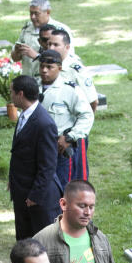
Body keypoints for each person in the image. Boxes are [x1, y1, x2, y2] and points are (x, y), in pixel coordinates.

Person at [8, 74, 61, 240]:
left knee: (43, 243)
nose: (10, 95)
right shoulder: (25, 115)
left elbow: (48, 164)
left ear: (20, 94)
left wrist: (35, 195)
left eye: (12, 92)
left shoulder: (44, 123)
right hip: (23, 190)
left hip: (39, 198)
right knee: (25, 242)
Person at [38, 50, 94, 185]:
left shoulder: (69, 90)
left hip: (59, 148)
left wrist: (70, 137)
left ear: (60, 68)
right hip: (39, 147)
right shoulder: (34, 87)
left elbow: (86, 115)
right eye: (42, 66)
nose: (44, 71)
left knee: (62, 188)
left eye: (49, 67)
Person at [11, 0, 75, 77]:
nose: (32, 17)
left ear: (48, 12)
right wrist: (17, 51)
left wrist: (37, 56)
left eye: (36, 13)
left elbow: (67, 60)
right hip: (28, 80)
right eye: (31, 13)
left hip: (49, 81)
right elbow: (15, 58)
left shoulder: (61, 31)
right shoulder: (27, 29)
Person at [46, 28, 98, 111]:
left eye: (56, 45)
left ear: (67, 47)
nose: (51, 48)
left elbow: (93, 101)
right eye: (49, 44)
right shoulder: (44, 66)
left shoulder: (76, 70)